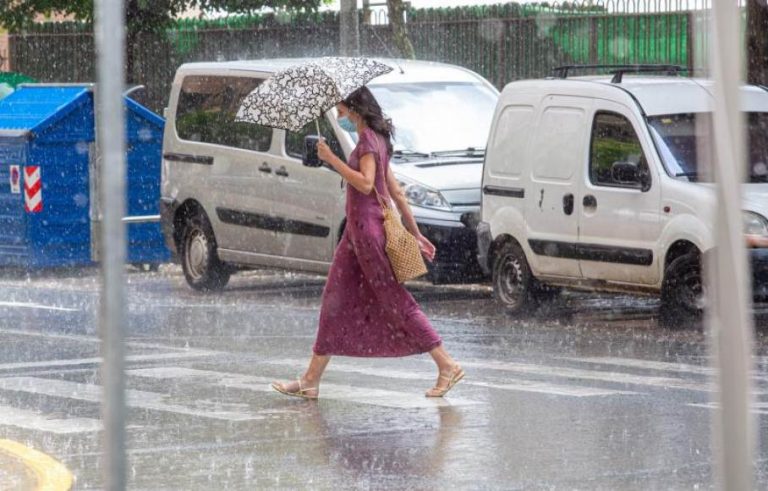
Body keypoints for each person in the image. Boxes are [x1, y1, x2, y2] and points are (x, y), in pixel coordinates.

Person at [271, 86, 464, 400]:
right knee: (334, 300)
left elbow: (363, 183)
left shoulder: (368, 142)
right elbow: (395, 192)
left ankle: (446, 364)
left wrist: (331, 158)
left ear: (355, 108)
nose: (338, 116)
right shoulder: (379, 139)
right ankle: (310, 379)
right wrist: (414, 233)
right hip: (356, 234)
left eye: (342, 110)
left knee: (393, 297)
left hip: (367, 232)